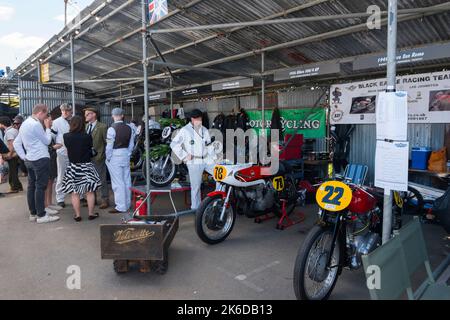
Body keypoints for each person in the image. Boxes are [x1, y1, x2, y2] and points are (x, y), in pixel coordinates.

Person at [13, 104, 60, 224]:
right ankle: (41, 215)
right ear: (40, 113)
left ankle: (34, 213)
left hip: (30, 159)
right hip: (40, 159)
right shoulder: (36, 124)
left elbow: (16, 143)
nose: (46, 117)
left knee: (32, 186)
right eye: (46, 114)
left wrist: (24, 157)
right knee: (40, 187)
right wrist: (48, 127)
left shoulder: (24, 123)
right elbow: (47, 140)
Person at [170, 109, 214, 210]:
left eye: (201, 119)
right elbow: (174, 144)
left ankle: (217, 202)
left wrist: (215, 158)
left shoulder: (204, 129)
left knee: (220, 175)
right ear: (192, 119)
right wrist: (184, 155)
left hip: (206, 159)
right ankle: (196, 209)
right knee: (196, 187)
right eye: (198, 119)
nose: (200, 121)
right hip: (194, 161)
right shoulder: (185, 130)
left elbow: (209, 145)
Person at [60, 116, 101, 222]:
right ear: (82, 124)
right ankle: (91, 214)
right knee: (90, 191)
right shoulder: (87, 136)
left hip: (73, 167)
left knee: (75, 192)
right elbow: (90, 148)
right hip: (86, 166)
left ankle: (77, 215)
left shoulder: (66, 136)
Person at [106, 108, 134, 214]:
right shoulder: (130, 128)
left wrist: (108, 157)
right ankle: (127, 204)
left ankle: (121, 206)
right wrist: (128, 153)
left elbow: (109, 145)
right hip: (125, 154)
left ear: (113, 116)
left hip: (115, 155)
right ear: (122, 115)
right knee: (127, 179)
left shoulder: (111, 129)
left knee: (118, 182)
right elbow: (131, 144)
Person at [84, 107, 109, 209]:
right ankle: (92, 199)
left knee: (101, 179)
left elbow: (107, 142)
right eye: (85, 114)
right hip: (87, 157)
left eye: (87, 114)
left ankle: (105, 199)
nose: (85, 116)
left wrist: (103, 155)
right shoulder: (86, 127)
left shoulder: (102, 127)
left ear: (94, 114)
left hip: (99, 157)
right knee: (89, 179)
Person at [52, 103, 73, 208]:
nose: (65, 112)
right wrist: (54, 146)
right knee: (61, 175)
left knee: (75, 174)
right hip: (62, 152)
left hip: (74, 152)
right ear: (61, 111)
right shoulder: (56, 122)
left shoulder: (75, 120)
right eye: (63, 110)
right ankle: (60, 198)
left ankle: (80, 195)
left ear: (71, 111)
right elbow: (51, 136)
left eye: (67, 110)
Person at [0, 116, 23, 193]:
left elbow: (11, 144)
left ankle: (14, 187)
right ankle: (19, 186)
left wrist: (9, 154)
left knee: (12, 172)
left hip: (12, 154)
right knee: (14, 171)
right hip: (16, 153)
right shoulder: (14, 130)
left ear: (2, 124)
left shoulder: (9, 132)